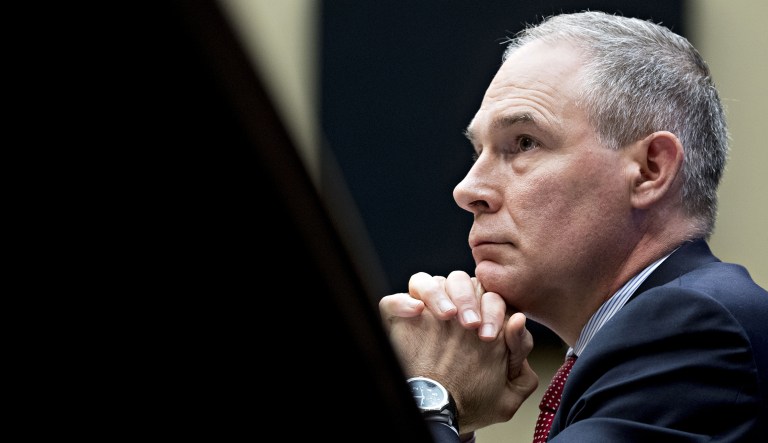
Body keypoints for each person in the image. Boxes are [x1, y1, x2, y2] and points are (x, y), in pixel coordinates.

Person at [379, 10, 768, 443]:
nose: (468, 190)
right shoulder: (642, 341)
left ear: (649, 170)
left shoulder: (695, 329)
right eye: (478, 152)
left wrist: (428, 398)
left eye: (524, 143)